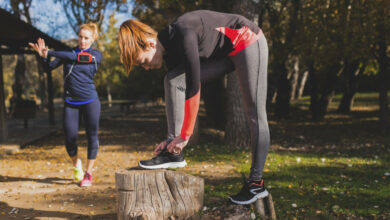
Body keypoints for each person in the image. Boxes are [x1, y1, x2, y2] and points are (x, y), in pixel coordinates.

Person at [118, 10, 270, 205]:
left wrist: (186, 134)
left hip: (248, 40)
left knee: (254, 113)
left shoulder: (184, 32)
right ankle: (173, 153)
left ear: (150, 44)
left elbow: (193, 86)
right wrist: (172, 141)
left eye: (144, 62)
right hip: (226, 53)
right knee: (172, 80)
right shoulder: (169, 48)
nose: (147, 68)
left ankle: (256, 184)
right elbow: (180, 87)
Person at [29, 23, 102, 187]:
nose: (82, 41)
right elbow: (48, 67)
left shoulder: (96, 55)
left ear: (93, 39)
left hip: (90, 101)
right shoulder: (67, 53)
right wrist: (42, 56)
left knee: (92, 137)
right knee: (70, 139)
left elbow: (80, 58)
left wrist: (51, 52)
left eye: (86, 38)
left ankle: (88, 174)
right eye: (80, 37)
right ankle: (77, 165)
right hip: (71, 102)